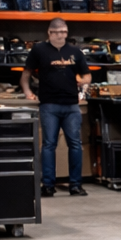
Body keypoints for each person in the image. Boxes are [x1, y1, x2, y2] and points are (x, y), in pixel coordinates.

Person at [21, 17, 91, 196]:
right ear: (49, 33)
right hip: (49, 105)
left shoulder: (75, 52)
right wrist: (27, 91)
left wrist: (82, 84)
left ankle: (75, 185)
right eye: (58, 32)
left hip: (71, 105)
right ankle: (48, 185)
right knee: (48, 145)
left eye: (65, 32)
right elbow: (26, 74)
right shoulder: (39, 50)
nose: (62, 36)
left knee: (75, 144)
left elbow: (87, 76)